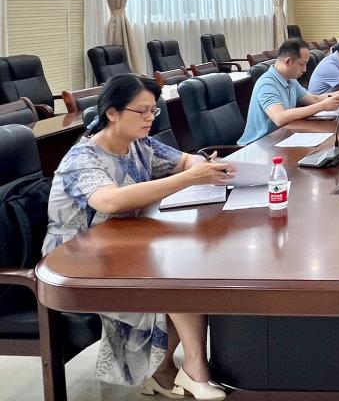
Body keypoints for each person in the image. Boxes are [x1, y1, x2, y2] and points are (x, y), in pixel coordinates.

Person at [43, 75, 235, 399]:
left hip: (122, 243)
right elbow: (110, 201)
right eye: (141, 111)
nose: (150, 118)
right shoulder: (83, 158)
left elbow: (184, 160)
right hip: (76, 258)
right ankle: (185, 370)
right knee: (176, 272)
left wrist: (205, 166)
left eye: (153, 111)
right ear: (112, 113)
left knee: (193, 257)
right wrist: (190, 178)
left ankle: (182, 369)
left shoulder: (138, 144)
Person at [239, 39, 339, 145]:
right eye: (302, 64)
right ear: (288, 61)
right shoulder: (267, 84)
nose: (304, 69)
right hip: (259, 144)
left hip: (281, 137)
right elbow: (279, 117)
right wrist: (322, 106)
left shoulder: (291, 80)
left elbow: (314, 99)